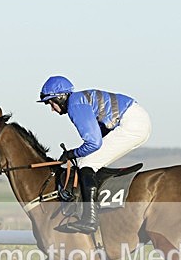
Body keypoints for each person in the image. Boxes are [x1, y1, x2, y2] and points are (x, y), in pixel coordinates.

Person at [37, 76, 151, 233]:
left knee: (86, 163)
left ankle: (89, 219)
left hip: (131, 123)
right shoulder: (80, 100)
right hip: (136, 119)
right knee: (89, 160)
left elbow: (93, 143)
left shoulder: (75, 105)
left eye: (51, 103)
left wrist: (72, 153)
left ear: (61, 97)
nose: (52, 108)